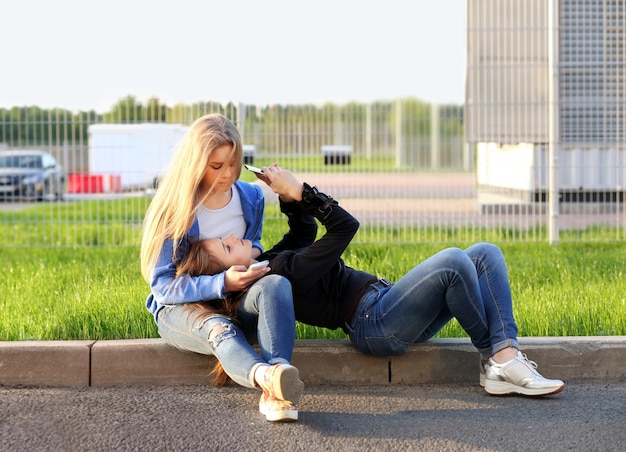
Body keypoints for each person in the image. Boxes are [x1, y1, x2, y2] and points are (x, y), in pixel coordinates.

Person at [179, 163, 565, 397]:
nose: (235, 236)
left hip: (383, 304)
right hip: (374, 323)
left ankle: (505, 353)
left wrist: (287, 196)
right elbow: (345, 227)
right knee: (453, 263)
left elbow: (301, 232)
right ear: (237, 274)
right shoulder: (279, 273)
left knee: (484, 253)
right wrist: (303, 191)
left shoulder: (274, 258)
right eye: (228, 247)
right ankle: (496, 358)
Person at [140, 115, 303, 422]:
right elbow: (162, 285)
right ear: (196, 163)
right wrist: (222, 282)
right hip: (183, 305)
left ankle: (280, 372)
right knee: (221, 328)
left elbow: (253, 240)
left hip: (235, 297)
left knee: (276, 284)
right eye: (217, 166)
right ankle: (269, 383)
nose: (228, 174)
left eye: (234, 163)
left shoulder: (251, 197)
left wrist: (249, 258)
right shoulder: (175, 208)